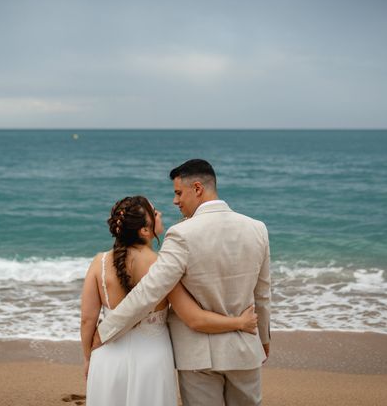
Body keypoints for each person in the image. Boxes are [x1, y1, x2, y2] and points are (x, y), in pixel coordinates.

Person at [93, 159, 271, 406]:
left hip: (199, 357)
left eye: (178, 193)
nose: (176, 201)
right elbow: (262, 293)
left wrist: (105, 330)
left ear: (197, 188)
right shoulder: (257, 229)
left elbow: (150, 290)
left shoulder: (181, 234)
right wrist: (263, 340)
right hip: (245, 350)